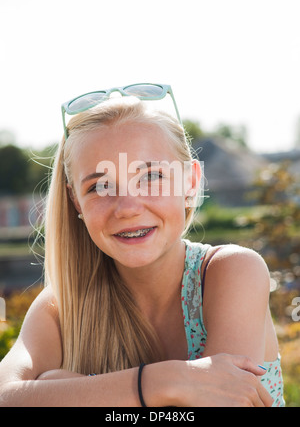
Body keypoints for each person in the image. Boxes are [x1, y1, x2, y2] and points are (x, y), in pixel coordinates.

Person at [0, 84, 284, 407]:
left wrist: (63, 389)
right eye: (101, 186)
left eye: (150, 176)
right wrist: (165, 381)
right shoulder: (62, 308)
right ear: (75, 201)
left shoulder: (233, 272)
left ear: (190, 182)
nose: (128, 207)